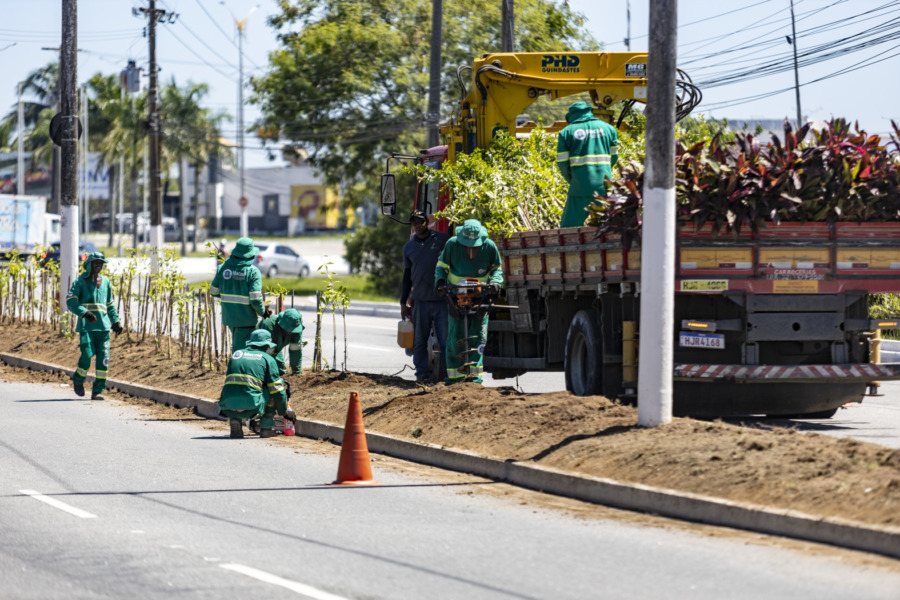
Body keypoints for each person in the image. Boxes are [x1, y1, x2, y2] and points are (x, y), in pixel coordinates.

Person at [434, 219, 503, 385]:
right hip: (456, 296)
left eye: (475, 244)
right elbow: (441, 267)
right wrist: (441, 282)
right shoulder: (452, 245)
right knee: (455, 338)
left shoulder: (490, 247)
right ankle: (454, 378)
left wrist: (495, 283)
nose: (471, 247)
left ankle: (474, 378)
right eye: (468, 244)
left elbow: (496, 270)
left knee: (478, 338)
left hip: (481, 296)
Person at [66, 251, 124, 400]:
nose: (99, 265)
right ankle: (78, 379)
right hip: (86, 327)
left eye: (101, 263)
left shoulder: (106, 282)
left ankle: (98, 391)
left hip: (103, 328)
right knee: (86, 354)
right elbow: (70, 300)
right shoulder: (80, 281)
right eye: (96, 262)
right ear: (89, 264)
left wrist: (116, 321)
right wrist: (84, 313)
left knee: (103, 360)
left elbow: (110, 305)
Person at [218, 329, 295, 439]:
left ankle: (235, 420)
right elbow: (277, 391)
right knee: (273, 389)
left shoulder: (236, 354)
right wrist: (285, 412)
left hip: (227, 406)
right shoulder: (267, 359)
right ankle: (266, 428)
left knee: (238, 387)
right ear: (267, 345)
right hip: (251, 406)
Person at [401, 210, 449, 383]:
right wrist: (402, 303)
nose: (418, 226)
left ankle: (447, 376)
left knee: (445, 341)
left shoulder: (443, 240)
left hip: (442, 301)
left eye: (421, 222)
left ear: (426, 222)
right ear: (412, 226)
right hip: (420, 301)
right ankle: (421, 375)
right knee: (419, 341)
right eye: (414, 223)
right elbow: (407, 276)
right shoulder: (409, 247)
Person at [556, 101, 618, 228]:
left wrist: (572, 180)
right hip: (605, 187)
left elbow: (562, 163)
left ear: (572, 116)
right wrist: (604, 172)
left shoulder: (566, 132)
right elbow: (615, 156)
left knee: (569, 227)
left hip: (580, 187)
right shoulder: (609, 129)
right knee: (607, 226)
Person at [210, 237, 269, 353]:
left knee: (239, 345)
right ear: (250, 255)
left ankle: (238, 368)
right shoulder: (252, 272)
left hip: (230, 317)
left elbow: (213, 291)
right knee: (242, 351)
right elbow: (256, 300)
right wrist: (263, 312)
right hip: (246, 319)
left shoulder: (222, 268)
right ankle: (237, 369)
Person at [255, 308, 304, 377]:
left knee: (281, 371)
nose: (292, 332)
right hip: (259, 348)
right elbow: (267, 351)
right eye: (289, 328)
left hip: (275, 347)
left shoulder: (297, 329)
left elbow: (296, 351)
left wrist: (296, 372)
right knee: (267, 372)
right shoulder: (269, 324)